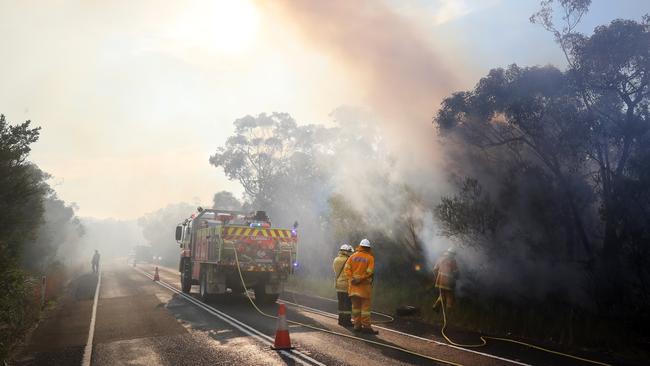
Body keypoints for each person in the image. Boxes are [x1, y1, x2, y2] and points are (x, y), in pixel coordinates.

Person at [344, 238, 378, 334]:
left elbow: (347, 270)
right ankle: (366, 327)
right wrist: (361, 279)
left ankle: (357, 325)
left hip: (353, 287)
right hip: (364, 287)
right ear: (368, 247)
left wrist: (352, 279)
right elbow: (369, 272)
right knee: (365, 309)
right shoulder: (370, 258)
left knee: (356, 308)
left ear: (360, 246)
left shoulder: (352, 257)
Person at [332, 244, 354, 326]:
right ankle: (347, 321)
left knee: (341, 304)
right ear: (345, 251)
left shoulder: (336, 259)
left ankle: (340, 320)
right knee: (347, 305)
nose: (350, 253)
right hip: (346, 285)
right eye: (349, 252)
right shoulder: (349, 260)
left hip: (338, 284)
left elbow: (335, 271)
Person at [432, 247, 459, 311]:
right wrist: (457, 277)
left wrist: (437, 278)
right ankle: (448, 312)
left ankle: (436, 306)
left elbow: (434, 270)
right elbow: (456, 272)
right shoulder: (453, 261)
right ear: (452, 254)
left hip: (440, 281)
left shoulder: (440, 259)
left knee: (442, 295)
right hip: (448, 282)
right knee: (450, 296)